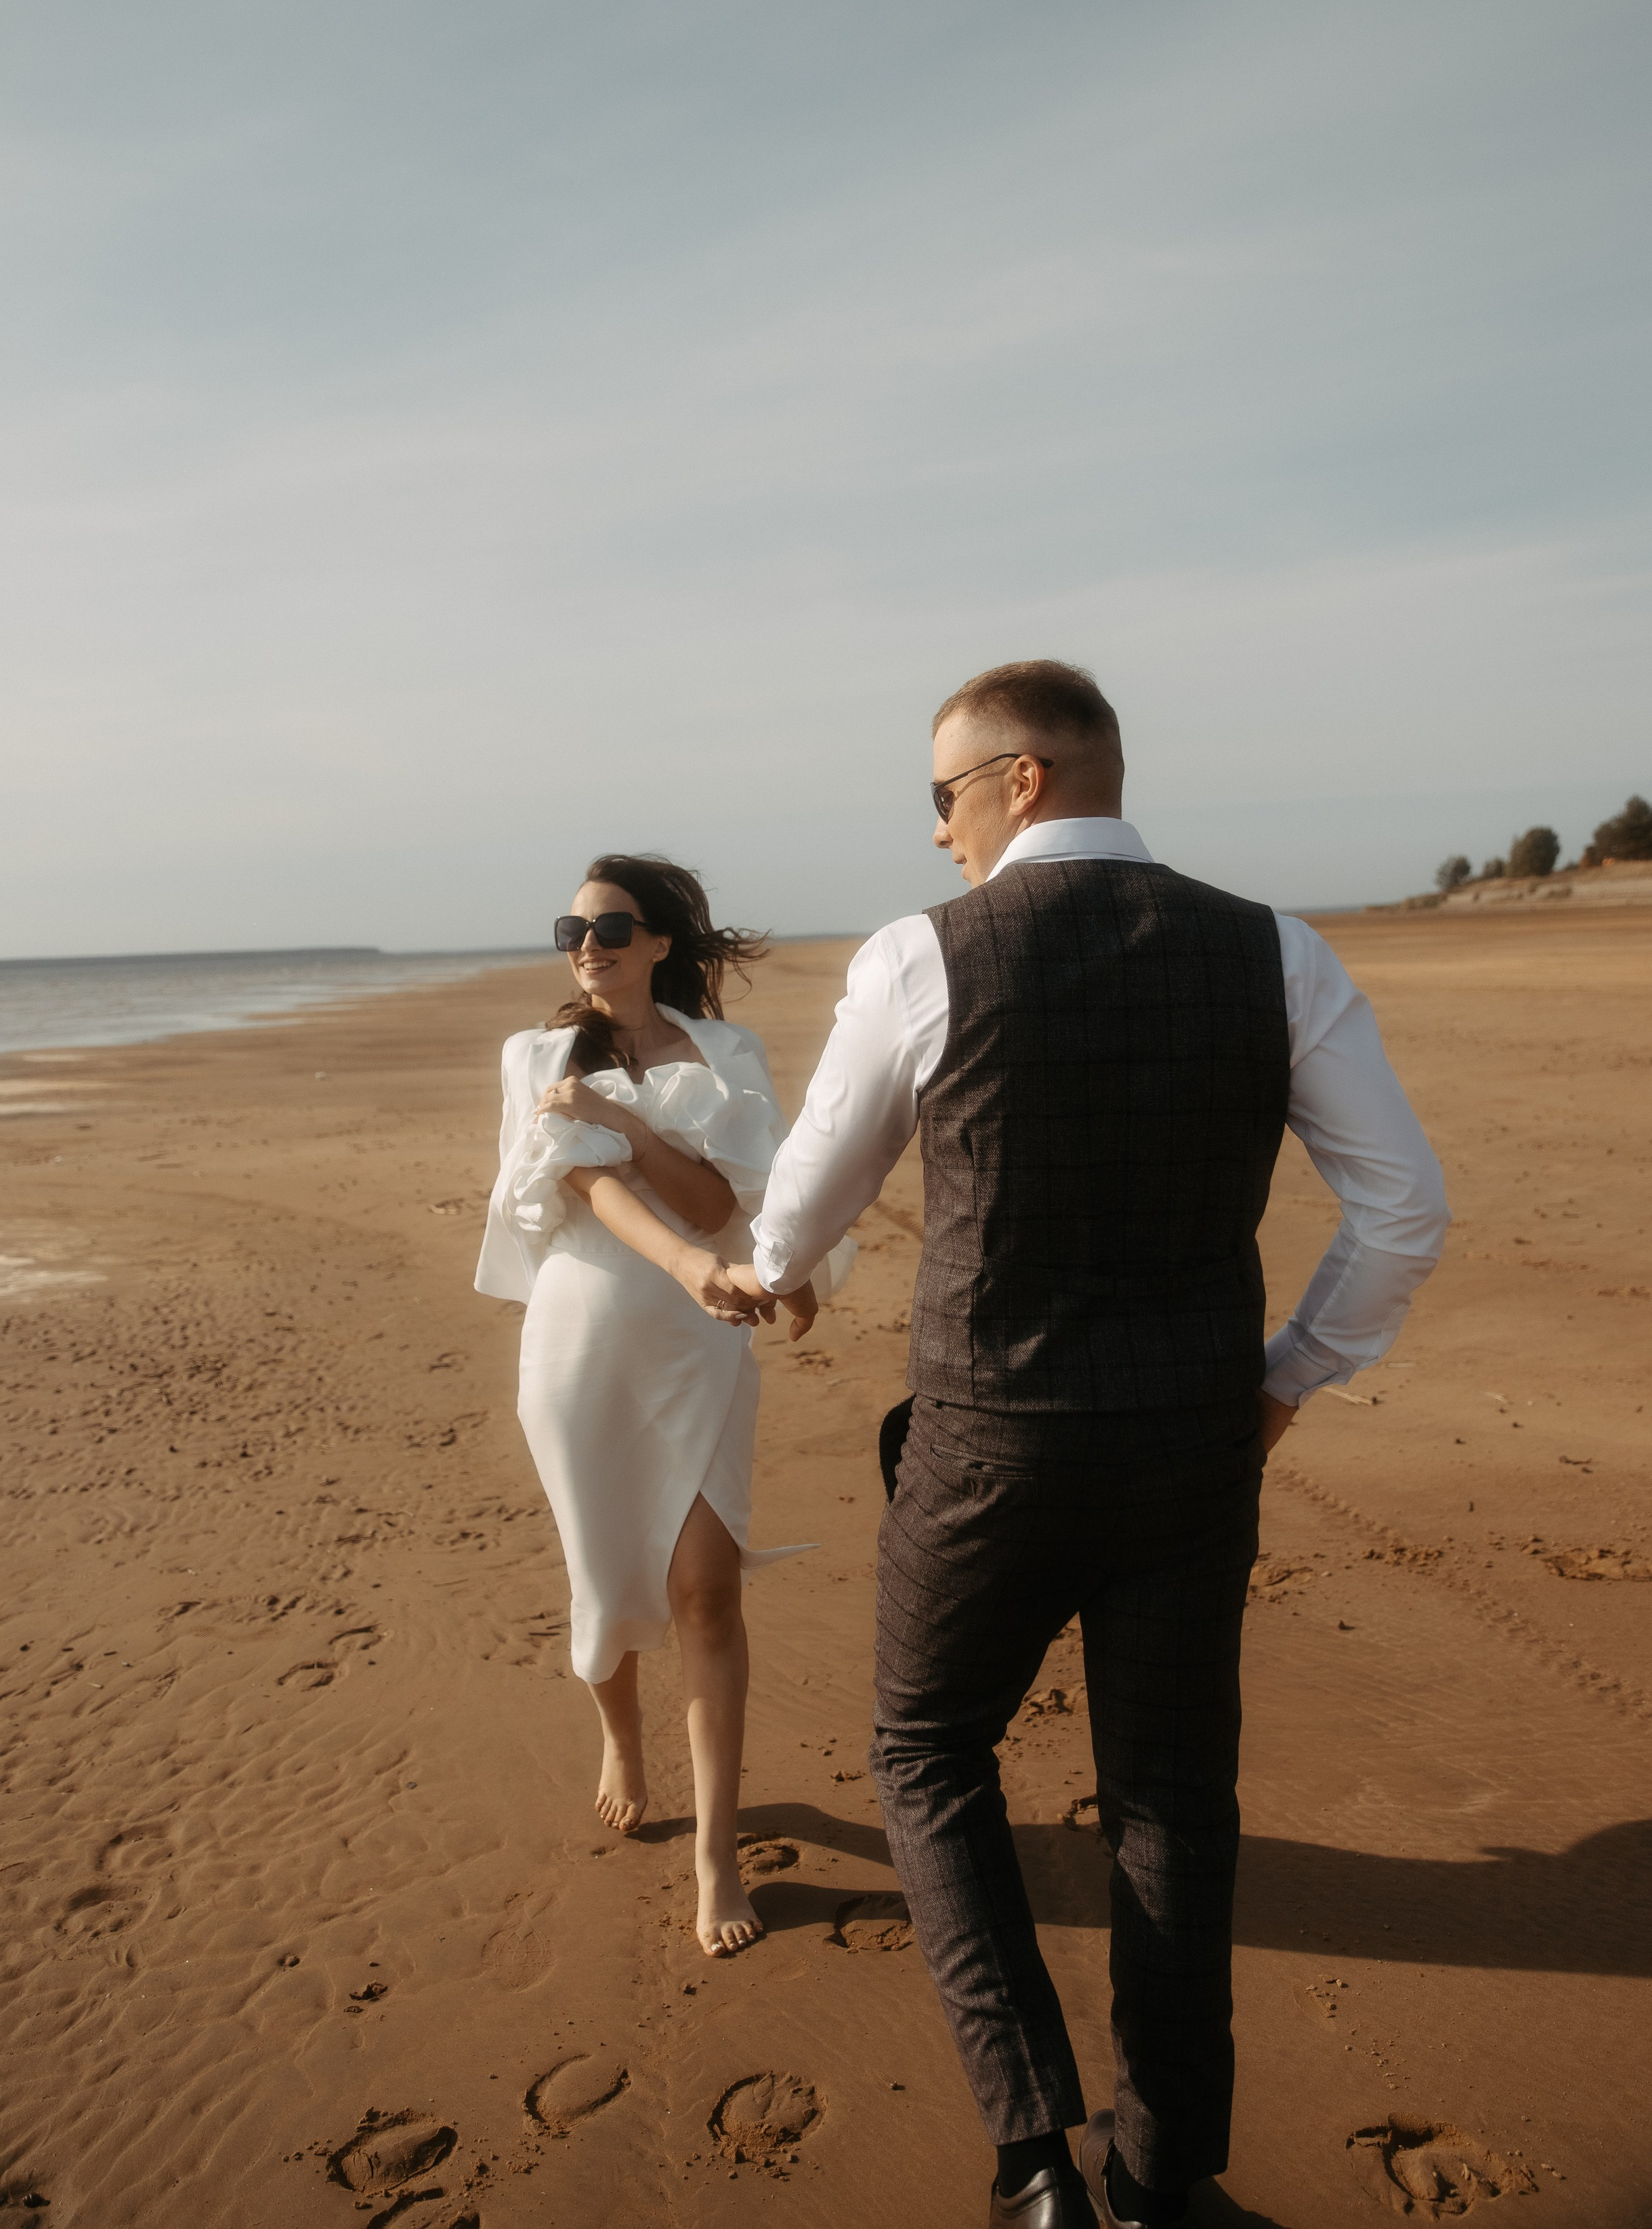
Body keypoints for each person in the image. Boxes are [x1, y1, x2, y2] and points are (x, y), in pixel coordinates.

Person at [717, 661, 1449, 2228]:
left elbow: (803, 1211)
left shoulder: (924, 956)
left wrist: (767, 1278)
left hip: (986, 1443)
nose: (933, 836)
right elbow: (1401, 1203)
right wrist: (1287, 1376)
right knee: (1174, 1801)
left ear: (1022, 780)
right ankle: (1166, 2177)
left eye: (941, 797)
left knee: (923, 1754)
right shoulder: (1274, 949)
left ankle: (1034, 2158)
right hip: (1193, 1448)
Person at [472, 853, 820, 1959]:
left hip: (697, 1344)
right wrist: (684, 1257)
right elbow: (579, 1185)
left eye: (612, 926)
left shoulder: (724, 1055)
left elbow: (719, 1196)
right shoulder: (535, 1055)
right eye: (571, 927)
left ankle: (717, 1853)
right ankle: (621, 1740)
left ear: (661, 940)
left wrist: (628, 1129)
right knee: (604, 1571)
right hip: (580, 1342)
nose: (588, 943)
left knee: (706, 1592)